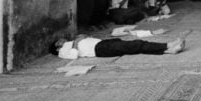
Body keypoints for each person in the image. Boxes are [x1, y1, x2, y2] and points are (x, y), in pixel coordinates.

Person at [50, 35, 184, 58]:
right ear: (57, 47)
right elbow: (74, 55)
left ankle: (168, 51)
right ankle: (168, 45)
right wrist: (75, 43)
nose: (61, 40)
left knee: (134, 47)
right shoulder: (63, 52)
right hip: (99, 50)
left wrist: (84, 37)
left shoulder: (69, 43)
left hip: (101, 43)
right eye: (58, 42)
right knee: (137, 45)